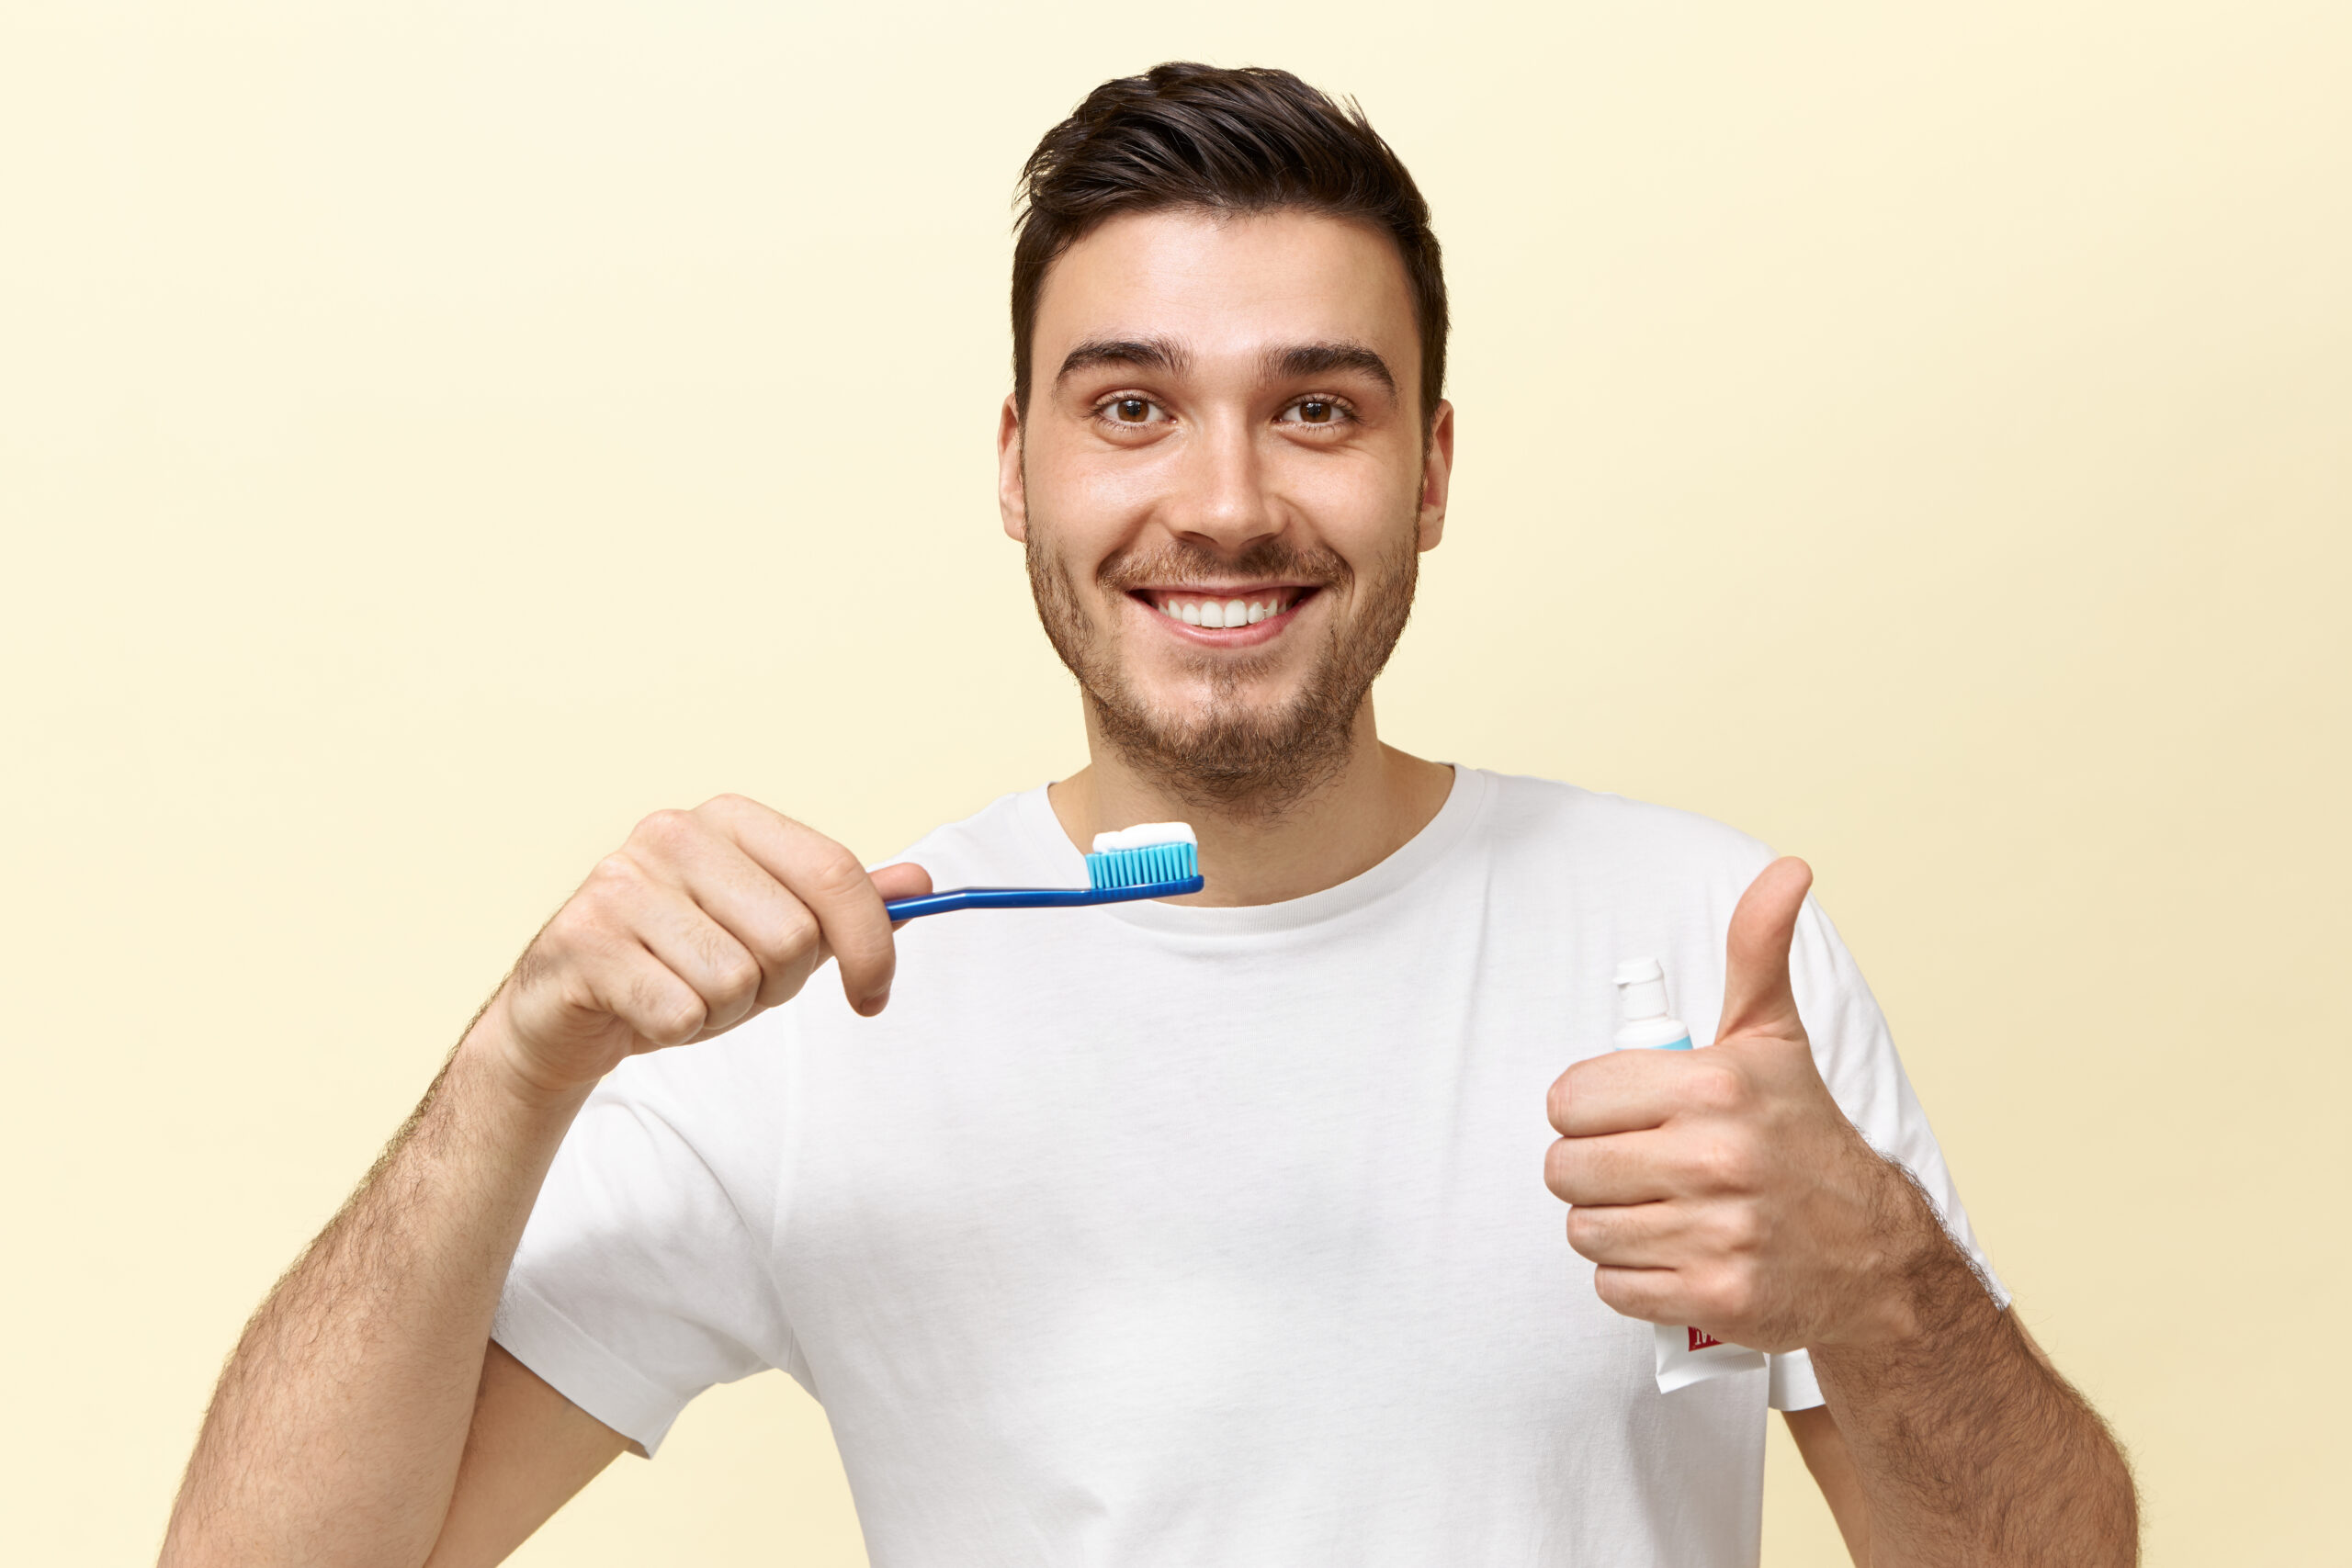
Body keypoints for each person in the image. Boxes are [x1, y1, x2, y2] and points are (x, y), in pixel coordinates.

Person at [162, 62, 2137, 1568]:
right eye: (1128, 406)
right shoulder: (836, 988)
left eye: (1317, 406)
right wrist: (516, 1062)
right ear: (1013, 463)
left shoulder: (1703, 950)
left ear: (1429, 467)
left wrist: (1876, 1277)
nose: (1221, 499)